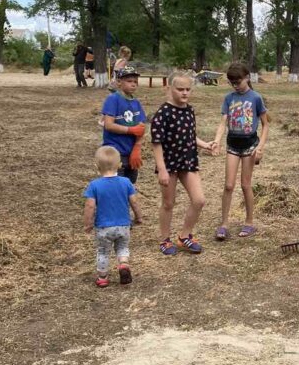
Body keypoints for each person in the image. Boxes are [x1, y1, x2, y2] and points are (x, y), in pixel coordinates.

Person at [150, 72, 215, 256]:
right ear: (170, 89)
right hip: (169, 164)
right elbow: (156, 142)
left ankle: (184, 236)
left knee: (199, 200)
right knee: (168, 203)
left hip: (188, 161)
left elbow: (190, 135)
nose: (185, 93)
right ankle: (164, 239)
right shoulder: (162, 113)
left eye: (188, 89)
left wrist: (206, 145)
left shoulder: (190, 110)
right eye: (180, 89)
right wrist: (162, 169)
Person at [213, 62, 269, 239]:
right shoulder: (229, 98)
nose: (235, 85)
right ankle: (223, 224)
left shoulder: (256, 98)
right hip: (233, 145)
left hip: (250, 145)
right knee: (228, 185)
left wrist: (260, 147)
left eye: (238, 81)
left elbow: (266, 125)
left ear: (247, 78)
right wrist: (217, 140)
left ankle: (249, 222)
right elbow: (223, 122)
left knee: (245, 185)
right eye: (232, 83)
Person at [83, 145, 142, 288]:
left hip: (103, 227)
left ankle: (103, 278)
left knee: (103, 251)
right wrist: (138, 216)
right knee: (122, 247)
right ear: (120, 165)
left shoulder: (94, 185)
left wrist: (88, 223)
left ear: (96, 166)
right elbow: (134, 201)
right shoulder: (126, 182)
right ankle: (123, 264)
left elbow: (90, 206)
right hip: (123, 225)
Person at [100, 65, 147, 184]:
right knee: (115, 185)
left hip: (130, 151)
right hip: (115, 151)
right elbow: (109, 125)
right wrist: (130, 130)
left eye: (135, 82)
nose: (133, 84)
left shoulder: (136, 102)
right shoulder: (113, 99)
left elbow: (141, 127)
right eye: (129, 81)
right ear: (119, 82)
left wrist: (137, 148)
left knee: (130, 184)